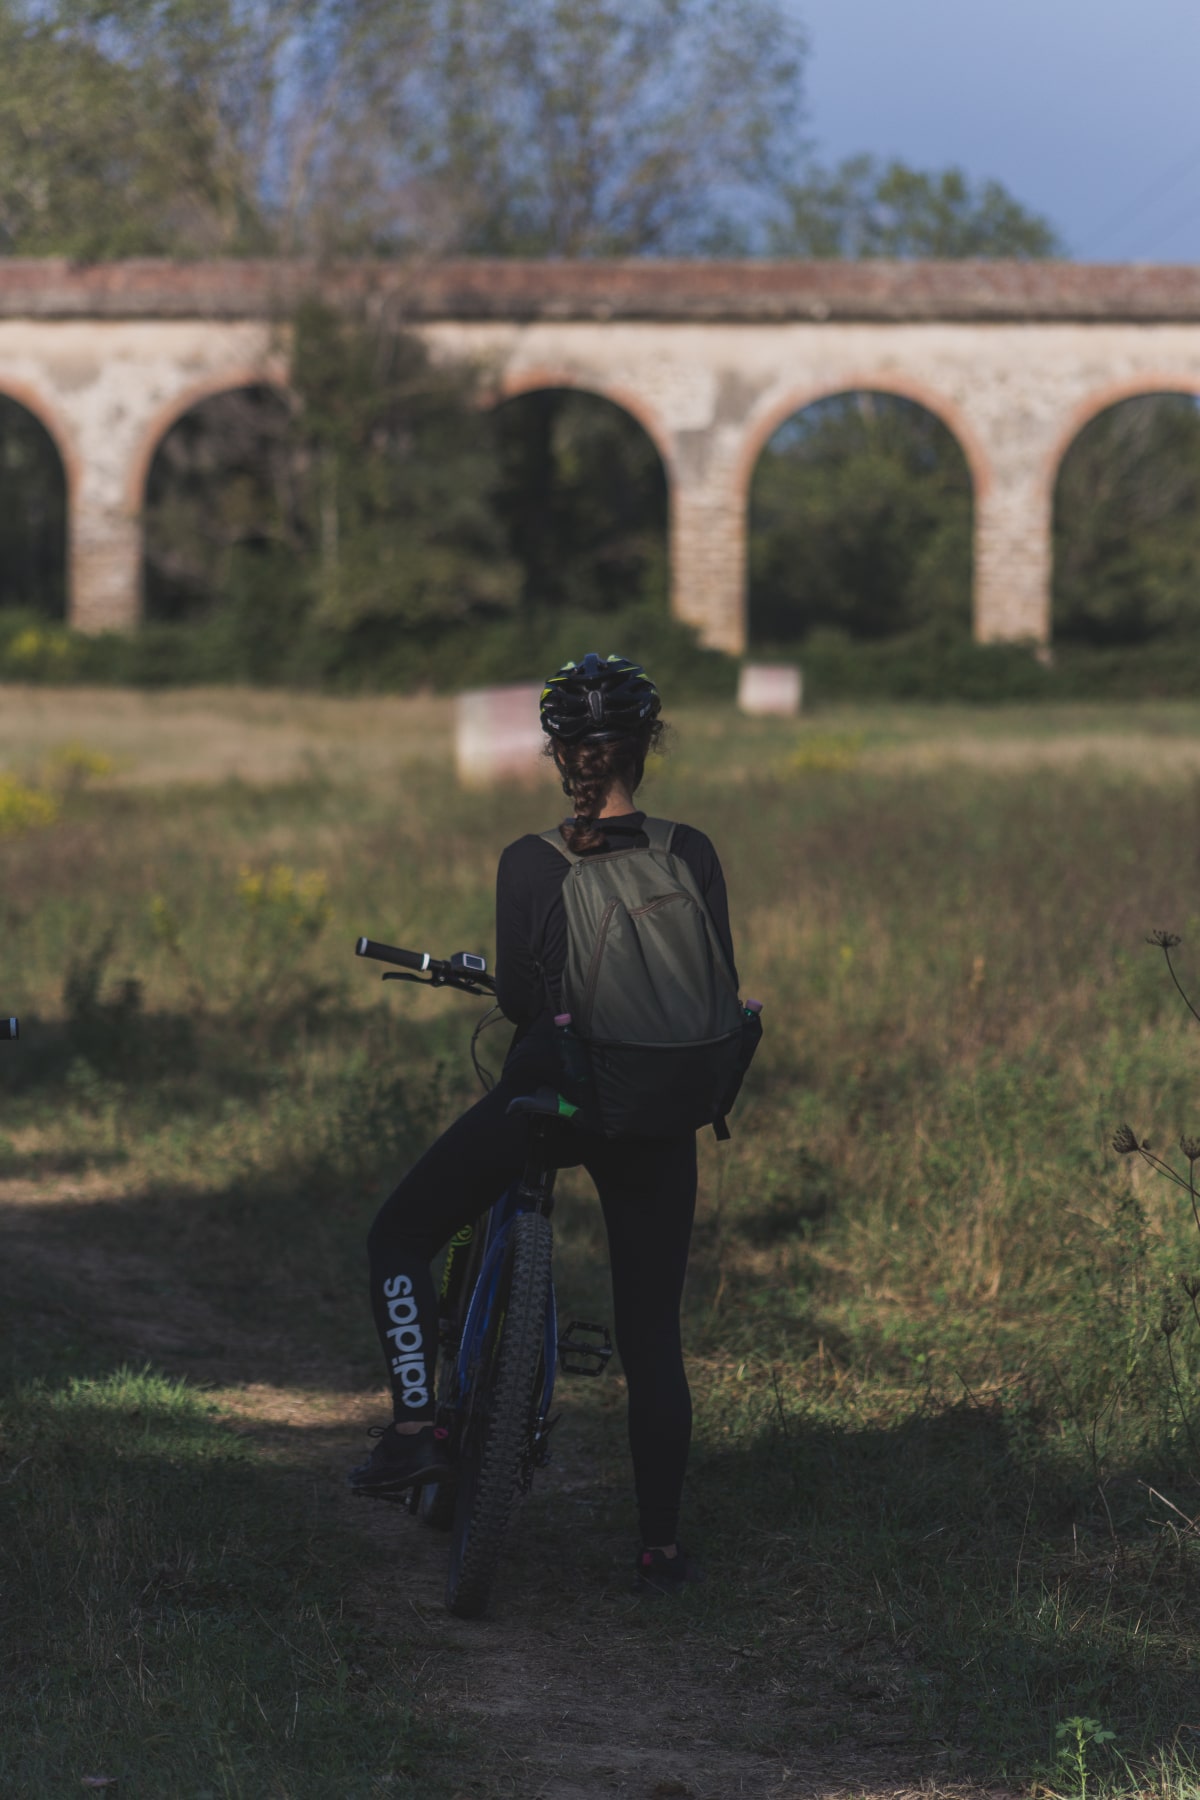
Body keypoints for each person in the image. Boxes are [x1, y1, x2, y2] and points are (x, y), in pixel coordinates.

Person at [350, 654, 741, 1596]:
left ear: (557, 753)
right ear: (647, 750)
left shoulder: (531, 861)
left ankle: (416, 1430)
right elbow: (717, 983)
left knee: (399, 1235)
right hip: (657, 1113)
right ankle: (658, 1551)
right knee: (653, 1332)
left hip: (554, 1102)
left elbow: (524, 999)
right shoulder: (691, 851)